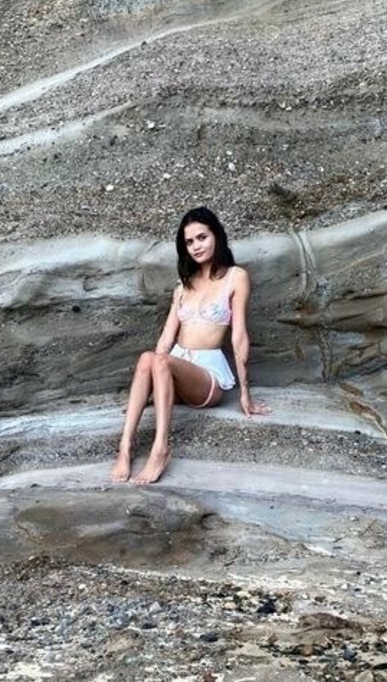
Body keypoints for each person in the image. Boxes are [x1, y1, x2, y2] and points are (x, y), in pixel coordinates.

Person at [111, 207, 269, 485]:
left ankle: (161, 449)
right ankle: (125, 447)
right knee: (149, 357)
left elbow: (239, 335)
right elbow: (166, 337)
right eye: (189, 242)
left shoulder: (236, 277)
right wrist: (143, 387)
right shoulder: (184, 284)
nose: (196, 246)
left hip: (207, 378)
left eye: (202, 237)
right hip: (175, 368)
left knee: (159, 359)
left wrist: (246, 393)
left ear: (216, 235)